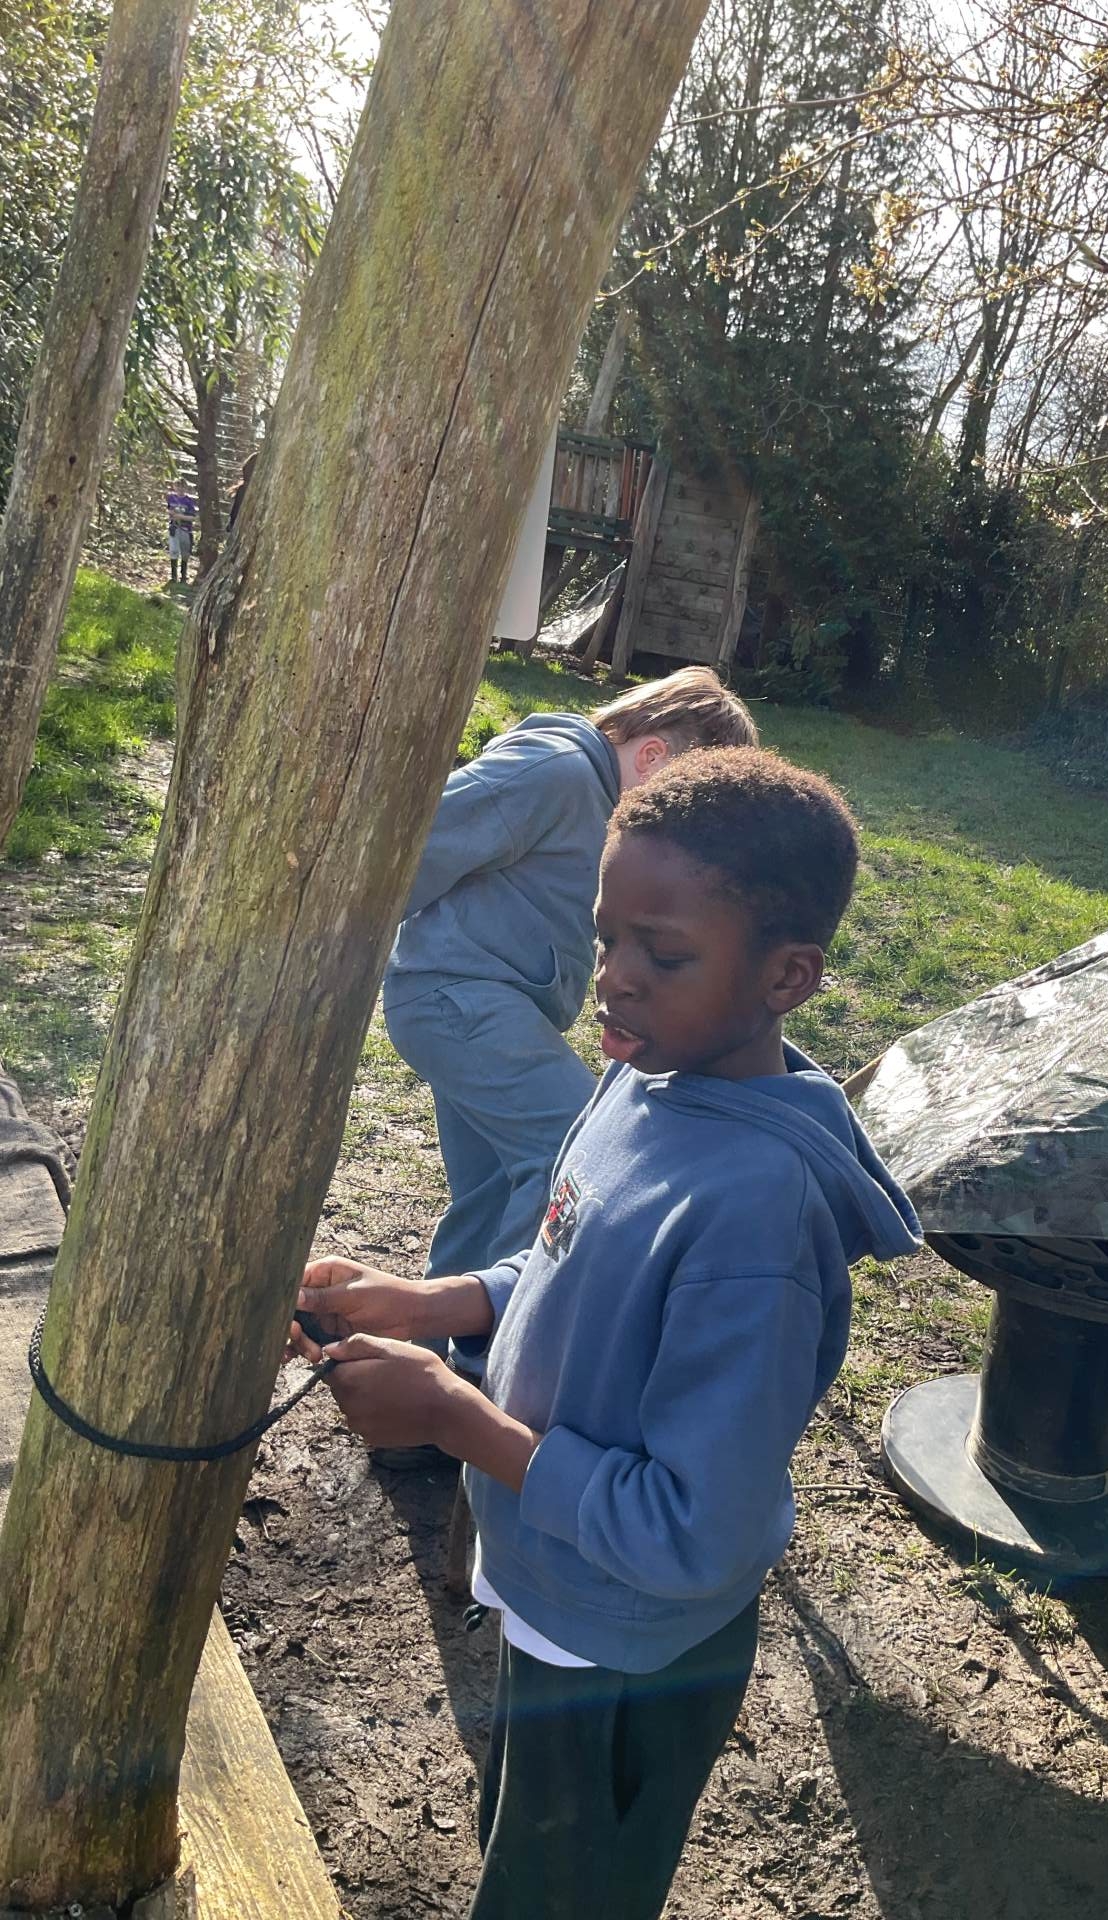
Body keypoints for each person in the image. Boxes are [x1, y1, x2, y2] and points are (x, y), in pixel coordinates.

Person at [292, 747, 921, 1920]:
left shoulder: (756, 1221)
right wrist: (433, 1302)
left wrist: (455, 1418)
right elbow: (570, 1258)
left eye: (662, 955)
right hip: (555, 1588)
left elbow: (691, 1530)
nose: (615, 980)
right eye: (605, 940)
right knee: (522, 1854)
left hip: (627, 1648)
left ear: (787, 976)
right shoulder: (647, 1077)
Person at [382, 667, 757, 1331]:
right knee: (571, 1146)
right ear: (651, 757)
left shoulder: (597, 802)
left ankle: (422, 1351)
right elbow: (412, 848)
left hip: (491, 1006)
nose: (678, 832)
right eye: (680, 805)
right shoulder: (555, 770)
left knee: (493, 1187)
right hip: (455, 996)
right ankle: (494, 1346)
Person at [165, 482, 196, 585]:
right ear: (174, 487)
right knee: (174, 551)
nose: (180, 489)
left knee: (185, 552)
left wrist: (181, 517)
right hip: (174, 528)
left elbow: (193, 517)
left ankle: (183, 576)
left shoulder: (189, 501)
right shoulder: (171, 498)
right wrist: (171, 513)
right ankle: (173, 576)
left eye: (182, 487)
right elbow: (168, 509)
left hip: (186, 529)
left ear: (186, 488)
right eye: (178, 486)